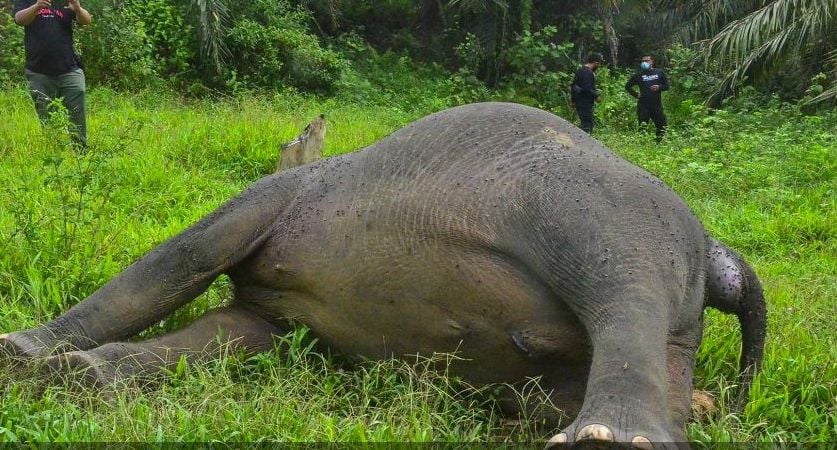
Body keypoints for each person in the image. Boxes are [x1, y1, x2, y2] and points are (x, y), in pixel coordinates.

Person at [13, 0, 92, 148]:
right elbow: (19, 19)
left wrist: (78, 9)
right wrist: (37, 6)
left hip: (69, 68)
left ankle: (80, 151)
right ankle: (53, 152)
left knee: (77, 112)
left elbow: (87, 20)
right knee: (46, 116)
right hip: (38, 71)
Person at [625, 55, 669, 142]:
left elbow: (667, 86)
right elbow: (627, 86)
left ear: (652, 62)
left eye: (646, 60)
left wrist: (659, 87)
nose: (644, 62)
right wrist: (636, 94)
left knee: (662, 125)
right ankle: (642, 144)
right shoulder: (639, 75)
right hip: (643, 105)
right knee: (642, 126)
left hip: (656, 105)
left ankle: (658, 143)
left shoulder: (659, 72)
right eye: (643, 61)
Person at [570, 52, 603, 135]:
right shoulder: (588, 73)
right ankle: (583, 145)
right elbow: (586, 89)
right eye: (599, 64)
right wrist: (596, 96)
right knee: (587, 127)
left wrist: (573, 100)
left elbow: (574, 86)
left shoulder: (580, 70)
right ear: (595, 63)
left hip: (579, 102)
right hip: (585, 103)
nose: (599, 66)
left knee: (585, 124)